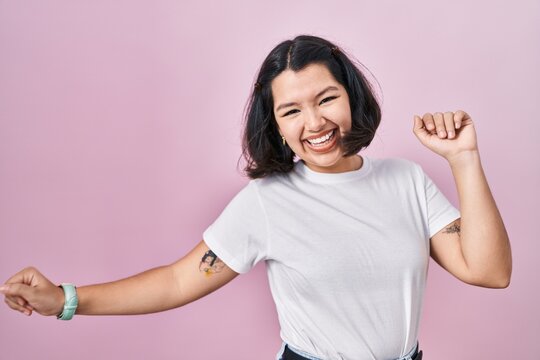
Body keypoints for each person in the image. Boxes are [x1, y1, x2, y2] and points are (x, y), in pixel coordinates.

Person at [0, 35, 512, 360]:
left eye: (327, 98)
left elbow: (488, 272)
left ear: (352, 98)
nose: (314, 123)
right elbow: (179, 280)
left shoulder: (406, 181)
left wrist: (463, 158)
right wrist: (66, 300)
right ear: (277, 126)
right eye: (291, 111)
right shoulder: (268, 201)